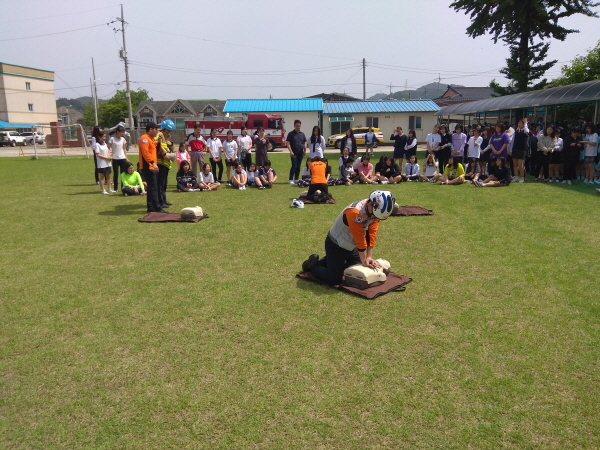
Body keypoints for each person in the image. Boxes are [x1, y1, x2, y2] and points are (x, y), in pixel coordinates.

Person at [302, 190, 395, 286]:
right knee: (334, 280)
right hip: (336, 245)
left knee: (357, 268)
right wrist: (364, 260)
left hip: (351, 246)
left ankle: (328, 262)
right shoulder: (355, 212)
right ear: (370, 204)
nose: (374, 217)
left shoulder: (375, 211)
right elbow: (359, 238)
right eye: (373, 215)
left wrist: (369, 257)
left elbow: (371, 234)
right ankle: (313, 265)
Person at [138, 123, 165, 213]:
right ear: (150, 129)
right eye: (156, 129)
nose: (157, 131)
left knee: (151, 188)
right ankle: (157, 208)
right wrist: (153, 163)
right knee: (153, 188)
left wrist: (159, 143)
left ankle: (151, 207)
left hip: (152, 166)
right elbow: (145, 153)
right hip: (147, 166)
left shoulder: (151, 139)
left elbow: (156, 152)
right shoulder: (144, 139)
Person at [156, 120, 175, 209]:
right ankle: (160, 201)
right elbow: (160, 147)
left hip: (166, 164)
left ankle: (164, 200)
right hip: (161, 163)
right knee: (160, 183)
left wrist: (171, 144)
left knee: (164, 183)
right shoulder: (159, 135)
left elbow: (172, 149)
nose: (169, 132)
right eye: (168, 130)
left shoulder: (166, 137)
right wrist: (165, 152)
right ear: (164, 128)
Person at [108, 125, 128, 191]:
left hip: (122, 158)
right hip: (115, 158)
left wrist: (126, 157)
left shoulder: (123, 139)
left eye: (123, 132)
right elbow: (108, 148)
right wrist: (109, 155)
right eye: (121, 132)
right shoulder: (112, 139)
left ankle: (123, 187)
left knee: (123, 174)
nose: (122, 133)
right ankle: (115, 188)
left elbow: (124, 149)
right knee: (116, 174)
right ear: (117, 132)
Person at [286, 120, 307, 184]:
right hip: (294, 153)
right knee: (294, 165)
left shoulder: (302, 134)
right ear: (294, 126)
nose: (298, 127)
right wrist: (291, 151)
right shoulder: (291, 134)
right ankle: (290, 179)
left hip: (300, 153)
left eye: (299, 126)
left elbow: (304, 142)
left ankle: (296, 179)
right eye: (297, 126)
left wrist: (305, 150)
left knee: (298, 166)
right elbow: (288, 143)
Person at [511, 118, 529, 183]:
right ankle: (516, 177)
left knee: (520, 165)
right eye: (518, 123)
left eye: (521, 123)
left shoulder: (525, 131)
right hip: (515, 149)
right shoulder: (516, 132)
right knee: (515, 164)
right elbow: (512, 141)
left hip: (522, 150)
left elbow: (527, 131)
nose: (519, 124)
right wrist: (511, 150)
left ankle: (522, 178)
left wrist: (526, 124)